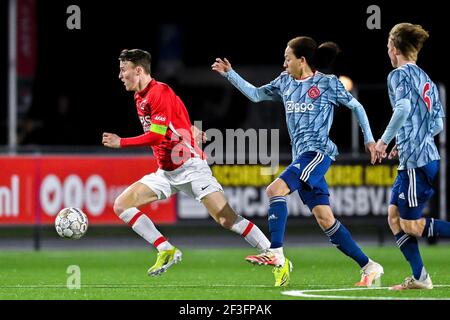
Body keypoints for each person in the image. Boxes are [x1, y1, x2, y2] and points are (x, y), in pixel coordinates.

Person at [212, 36, 384, 287]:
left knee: (274, 189)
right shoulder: (285, 82)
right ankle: (369, 266)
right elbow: (257, 95)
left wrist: (369, 140)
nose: (284, 64)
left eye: (287, 58)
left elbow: (357, 107)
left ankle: (276, 251)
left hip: (318, 154)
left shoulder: (327, 83)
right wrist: (230, 74)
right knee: (326, 220)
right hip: (301, 157)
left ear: (301, 60)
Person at [103, 49, 271, 278]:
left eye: (124, 70)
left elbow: (157, 136)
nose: (120, 75)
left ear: (138, 70)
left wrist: (120, 142)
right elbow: (177, 111)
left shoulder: (157, 93)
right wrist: (190, 128)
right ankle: (166, 249)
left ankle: (273, 253)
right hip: (166, 172)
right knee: (121, 205)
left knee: (226, 219)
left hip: (190, 167)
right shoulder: (140, 96)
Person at [375, 23, 449, 290]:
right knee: (394, 216)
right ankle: (421, 278)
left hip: (418, 162)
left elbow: (404, 107)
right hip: (417, 158)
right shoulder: (425, 78)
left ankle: (421, 278)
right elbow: (438, 124)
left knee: (411, 225)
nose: (387, 52)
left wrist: (384, 141)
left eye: (387, 47)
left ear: (394, 49)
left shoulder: (398, 75)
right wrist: (406, 140)